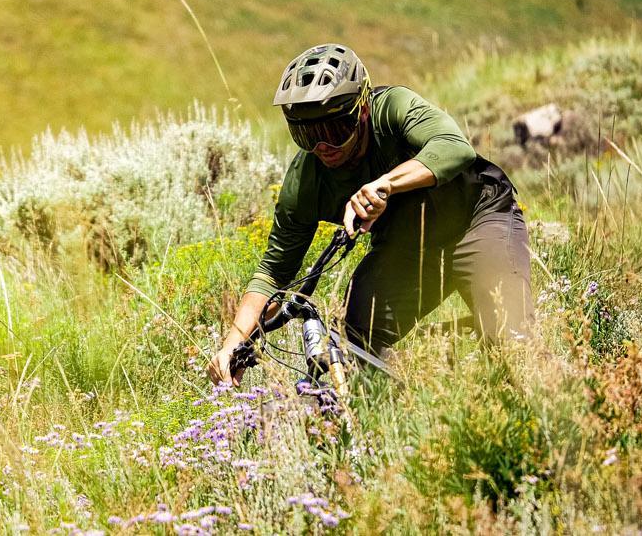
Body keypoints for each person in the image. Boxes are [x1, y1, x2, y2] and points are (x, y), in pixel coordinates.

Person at [207, 43, 532, 386]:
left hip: (477, 218)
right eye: (307, 135)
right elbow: (273, 274)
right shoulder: (305, 183)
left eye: (333, 131)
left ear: (362, 110)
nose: (323, 148)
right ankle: (391, 410)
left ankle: (479, 336)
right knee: (352, 341)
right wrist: (233, 344)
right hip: (408, 248)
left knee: (513, 344)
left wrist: (385, 185)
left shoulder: (392, 107)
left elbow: (455, 147)